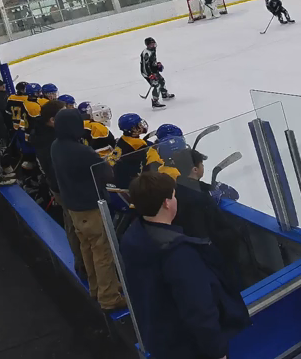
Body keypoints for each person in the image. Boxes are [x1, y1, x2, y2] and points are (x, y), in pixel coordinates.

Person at [119, 171, 250, 359]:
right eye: (173, 195)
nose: (176, 199)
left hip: (160, 341)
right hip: (188, 348)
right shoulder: (178, 254)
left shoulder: (133, 237)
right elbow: (199, 311)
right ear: (166, 202)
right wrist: (217, 352)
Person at [48, 106, 125, 313]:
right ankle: (109, 297)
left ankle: (96, 288)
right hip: (91, 206)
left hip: (73, 207)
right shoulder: (82, 151)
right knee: (102, 252)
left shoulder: (56, 146)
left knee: (87, 247)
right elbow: (107, 175)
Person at [166, 149, 246, 292]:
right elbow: (208, 233)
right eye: (202, 164)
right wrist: (236, 232)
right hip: (211, 259)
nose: (204, 167)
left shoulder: (176, 188)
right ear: (195, 169)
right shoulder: (200, 200)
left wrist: (210, 190)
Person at [141, 37, 172, 109]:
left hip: (153, 70)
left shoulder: (153, 49)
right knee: (156, 85)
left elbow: (151, 62)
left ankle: (164, 94)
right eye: (151, 45)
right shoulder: (146, 53)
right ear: (147, 45)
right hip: (147, 72)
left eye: (153, 44)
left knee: (161, 80)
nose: (153, 46)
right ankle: (155, 102)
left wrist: (156, 65)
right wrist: (149, 75)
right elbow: (145, 66)